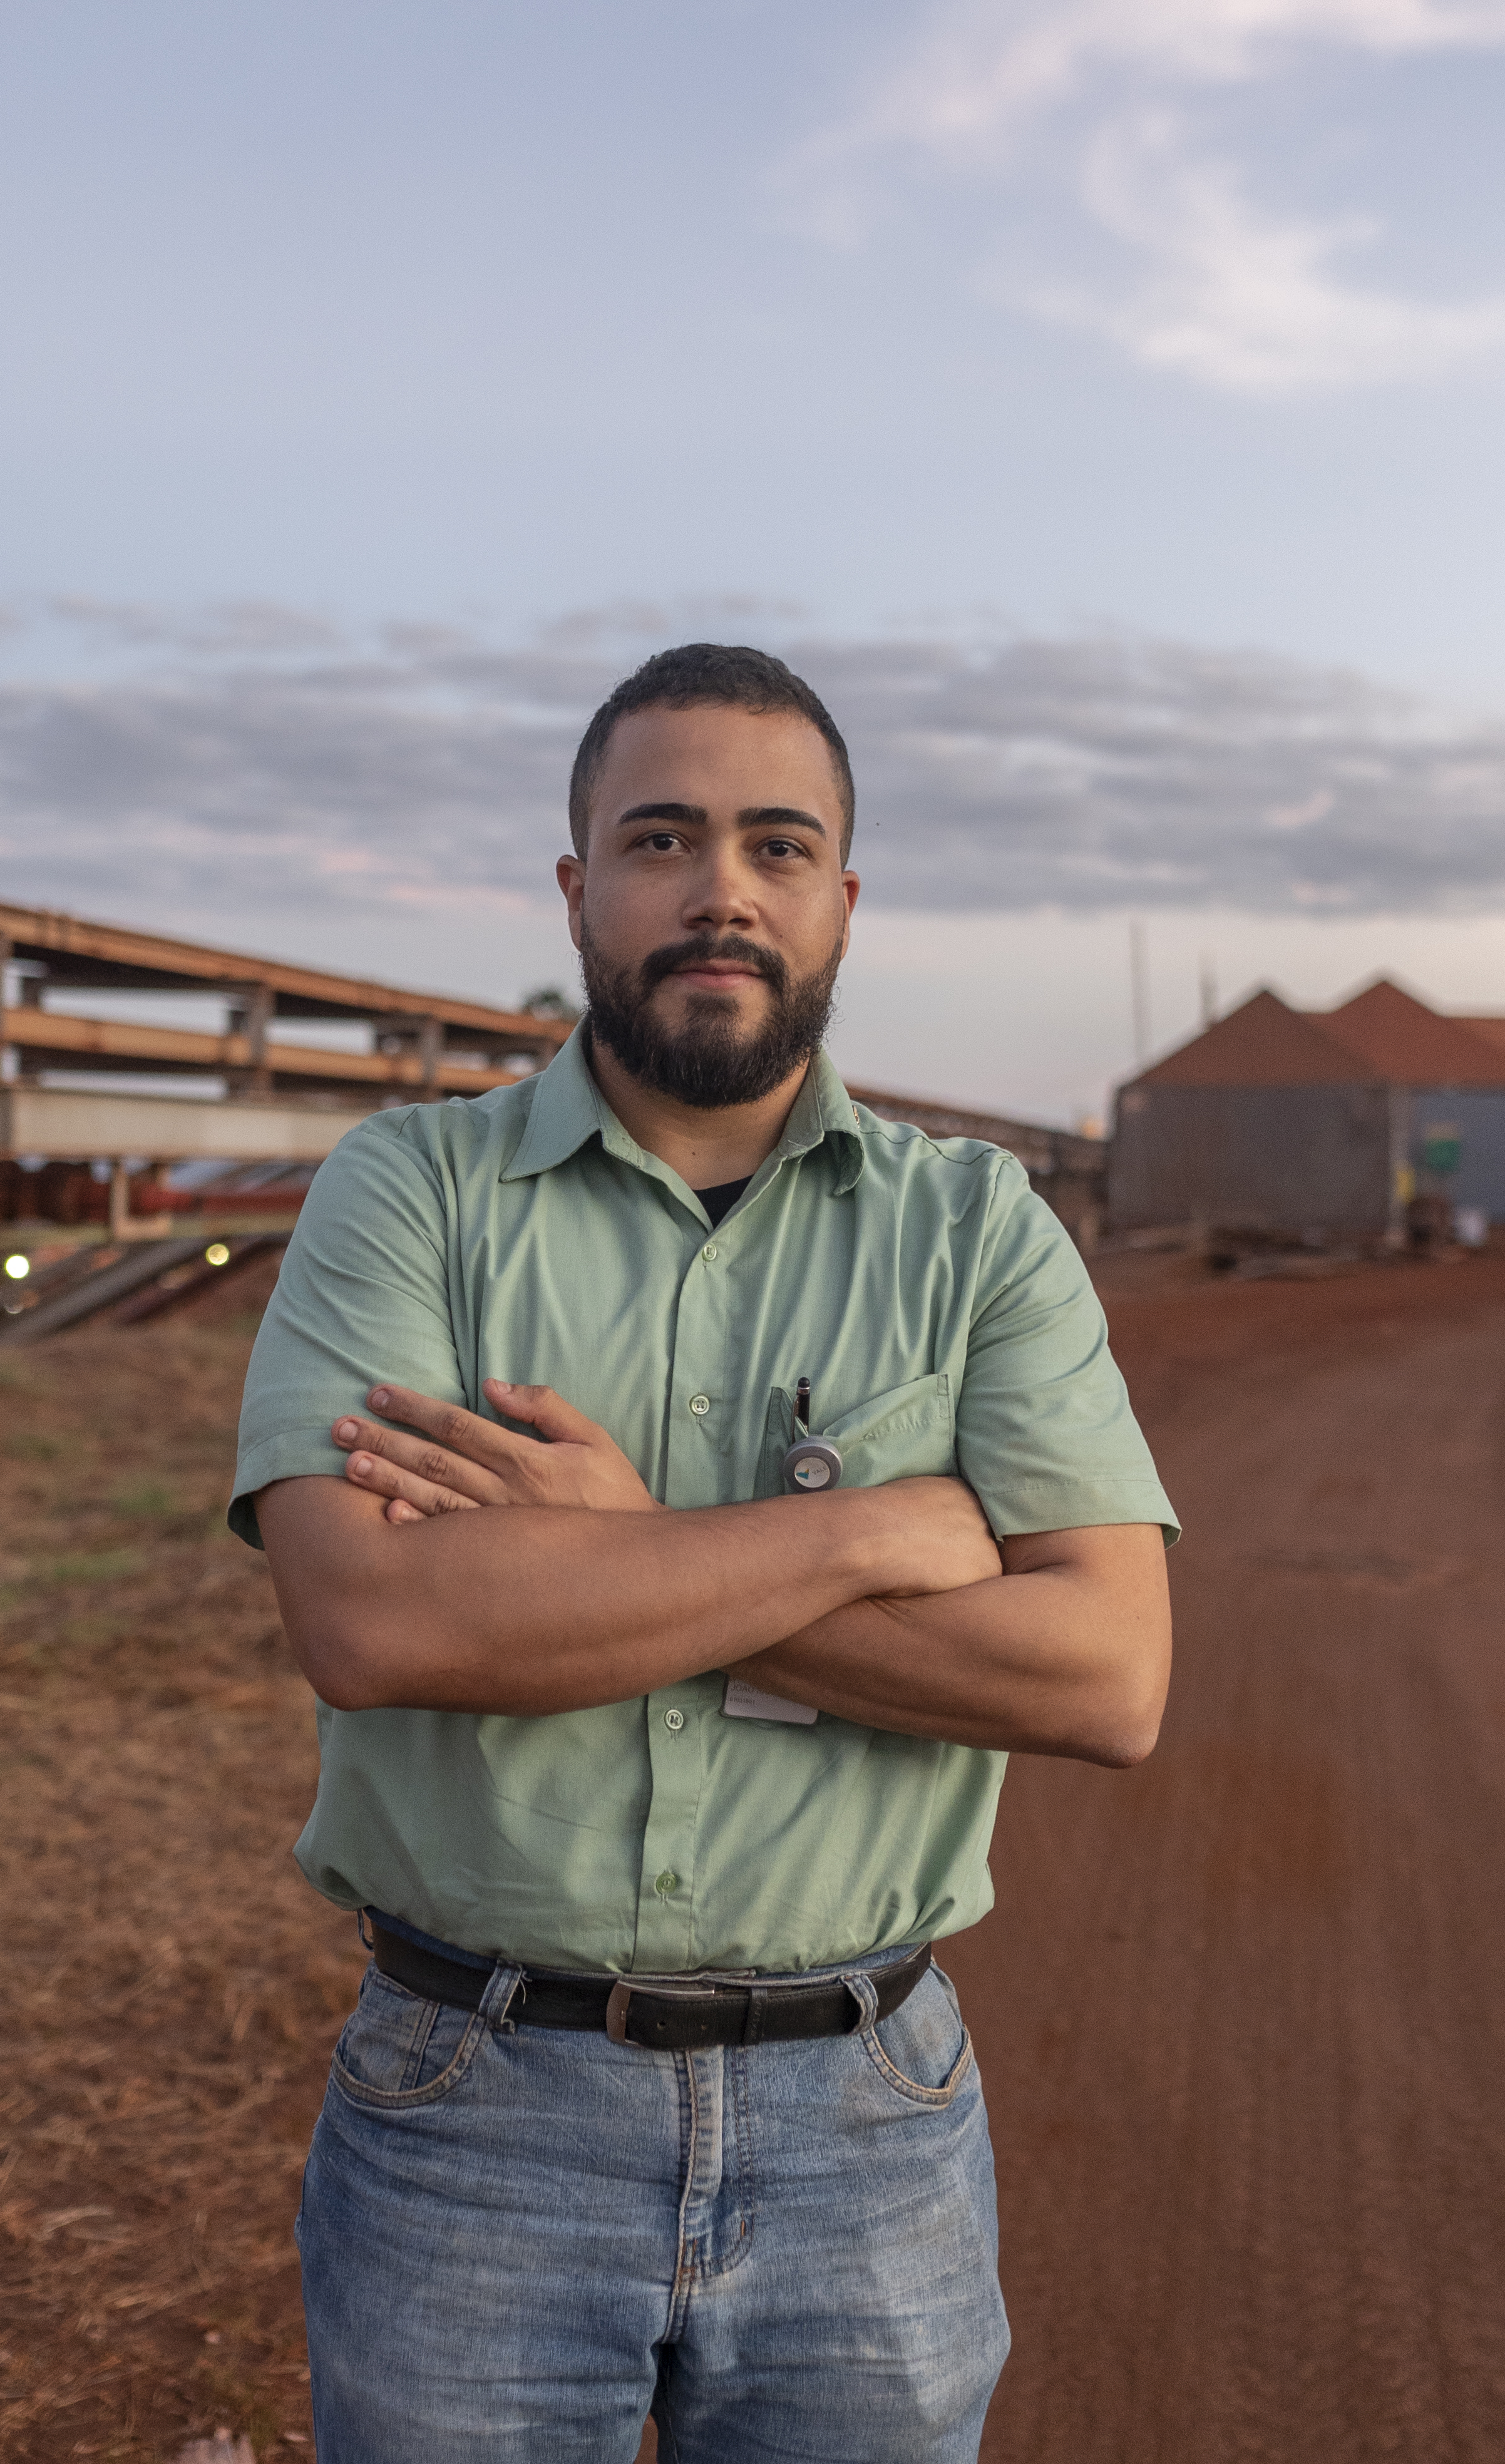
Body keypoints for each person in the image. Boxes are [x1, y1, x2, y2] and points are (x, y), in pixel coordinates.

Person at [230, 642, 1177, 2463]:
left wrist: (628, 1553)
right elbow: (368, 1613)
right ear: (580, 887)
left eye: (777, 843)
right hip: (474, 2113)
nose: (721, 888)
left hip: (870, 2121)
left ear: (842, 898)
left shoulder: (976, 1230)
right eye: (661, 839)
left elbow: (1107, 1674)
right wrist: (875, 1537)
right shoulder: (409, 1193)